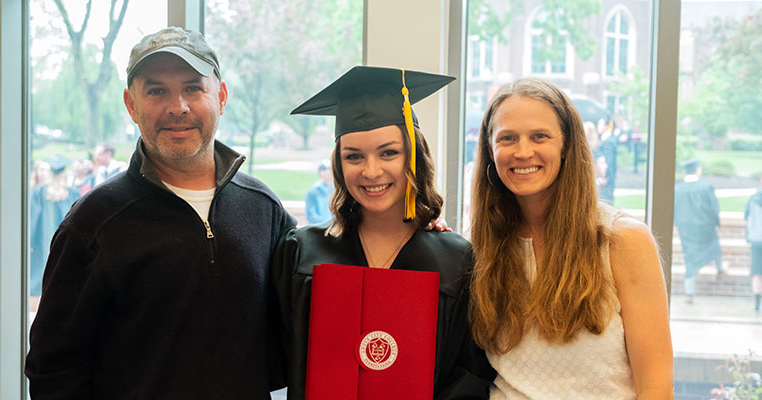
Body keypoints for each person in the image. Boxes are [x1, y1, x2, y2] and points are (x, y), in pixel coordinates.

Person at [25, 27, 296, 398]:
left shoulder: (262, 209)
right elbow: (53, 371)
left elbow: (300, 329)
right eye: (156, 91)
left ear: (221, 96)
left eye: (192, 88)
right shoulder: (94, 224)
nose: (178, 107)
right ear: (131, 104)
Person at [272, 66, 495, 399]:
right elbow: (279, 360)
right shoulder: (302, 252)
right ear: (338, 165)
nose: (371, 171)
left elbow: (472, 375)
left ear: (414, 156)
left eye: (389, 152)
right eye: (354, 156)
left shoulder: (457, 260)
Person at [468, 77, 673, 399]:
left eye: (540, 136)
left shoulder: (622, 241)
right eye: (507, 138)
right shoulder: (483, 247)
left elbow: (656, 386)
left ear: (566, 145)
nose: (523, 152)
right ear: (490, 150)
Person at [673, 159, 724, 304]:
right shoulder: (705, 187)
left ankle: (689, 293)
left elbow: (675, 209)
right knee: (714, 246)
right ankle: (719, 269)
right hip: (704, 227)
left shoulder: (678, 188)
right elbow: (714, 208)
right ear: (697, 170)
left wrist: (678, 223)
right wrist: (716, 223)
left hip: (686, 229)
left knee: (689, 256)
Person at [29, 155, 80, 298]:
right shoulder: (73, 193)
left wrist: (30, 240)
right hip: (64, 239)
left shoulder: (39, 192)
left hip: (42, 238)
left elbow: (33, 218)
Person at [745, 176, 762, 312]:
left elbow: (747, 217)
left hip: (757, 239)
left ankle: (757, 303)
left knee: (757, 272)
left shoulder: (754, 199)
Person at [304, 159, 333, 224]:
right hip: (318, 228)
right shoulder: (313, 191)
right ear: (320, 172)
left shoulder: (334, 190)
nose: (328, 173)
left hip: (332, 227)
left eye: (330, 170)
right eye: (324, 170)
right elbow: (311, 216)